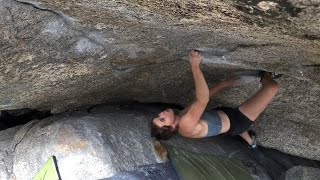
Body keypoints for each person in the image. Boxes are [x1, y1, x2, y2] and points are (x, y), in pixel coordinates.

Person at [151, 50, 280, 148]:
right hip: (237, 120)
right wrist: (195, 67)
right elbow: (203, 100)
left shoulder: (180, 116)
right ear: (172, 126)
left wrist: (224, 84)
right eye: (162, 119)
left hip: (224, 117)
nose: (161, 113)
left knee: (238, 131)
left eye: (158, 115)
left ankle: (251, 141)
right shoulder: (186, 124)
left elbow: (198, 100)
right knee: (272, 88)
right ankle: (265, 76)